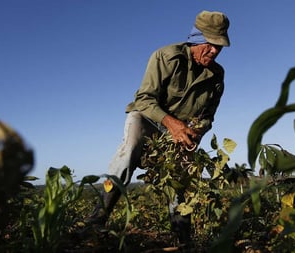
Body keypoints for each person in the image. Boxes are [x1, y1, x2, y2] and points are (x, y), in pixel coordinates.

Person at [86, 10, 230, 246]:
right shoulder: (166, 57)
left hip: (181, 133)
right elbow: (144, 99)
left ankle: (183, 240)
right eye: (210, 44)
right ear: (196, 39)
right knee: (128, 153)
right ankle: (96, 220)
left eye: (219, 46)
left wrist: (196, 131)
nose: (214, 50)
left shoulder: (216, 75)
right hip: (148, 119)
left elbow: (208, 116)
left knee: (178, 182)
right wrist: (172, 123)